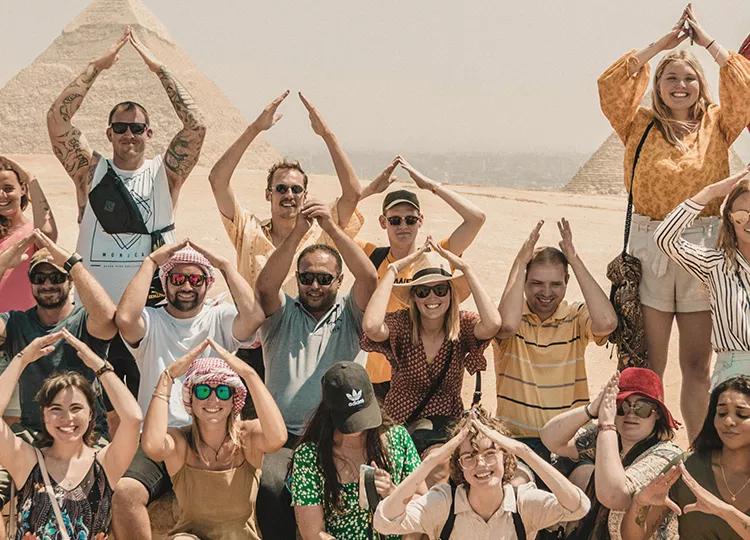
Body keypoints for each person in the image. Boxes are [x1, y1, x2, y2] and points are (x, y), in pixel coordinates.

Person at [598, 4, 750, 438]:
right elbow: (610, 83)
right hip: (649, 248)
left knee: (697, 365)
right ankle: (655, 445)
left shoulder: (718, 124)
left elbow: (746, 85)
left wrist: (707, 44)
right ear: (657, 86)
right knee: (651, 363)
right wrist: (663, 45)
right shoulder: (637, 122)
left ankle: (698, 451)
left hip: (703, 247)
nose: (680, 86)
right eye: (671, 78)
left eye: (688, 78)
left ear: (701, 85)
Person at [46, 28, 206, 403]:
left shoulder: (165, 174)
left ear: (149, 132)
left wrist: (160, 70)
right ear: (109, 133)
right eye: (120, 128)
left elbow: (196, 126)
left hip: (151, 314)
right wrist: (94, 68)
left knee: (150, 403)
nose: (129, 135)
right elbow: (57, 121)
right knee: (86, 406)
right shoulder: (90, 172)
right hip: (94, 312)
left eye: (137, 128)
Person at [208, 91, 363, 393]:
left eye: (295, 189)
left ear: (305, 195)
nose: (288, 195)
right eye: (281, 188)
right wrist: (255, 128)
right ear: (269, 193)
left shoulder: (322, 232)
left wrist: (327, 135)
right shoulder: (247, 230)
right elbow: (217, 180)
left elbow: (353, 192)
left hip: (309, 346)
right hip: (254, 345)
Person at [112, 242, 265, 538]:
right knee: (126, 493)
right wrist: (151, 261)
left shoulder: (218, 318)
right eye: (178, 278)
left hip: (213, 433)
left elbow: (254, 318)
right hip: (162, 435)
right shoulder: (151, 320)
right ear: (166, 281)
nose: (186, 286)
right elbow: (125, 319)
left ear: (207, 284)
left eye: (196, 279)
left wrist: (225, 265)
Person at [254, 201, 378, 538]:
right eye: (306, 277)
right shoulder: (282, 313)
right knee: (271, 487)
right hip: (285, 435)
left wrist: (332, 228)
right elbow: (265, 287)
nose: (314, 285)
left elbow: (368, 276)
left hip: (337, 432)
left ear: (338, 281)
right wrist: (297, 233)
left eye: (324, 278)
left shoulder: (350, 313)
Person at [0, 230, 118, 538]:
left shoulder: (84, 320)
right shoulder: (16, 323)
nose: (48, 284)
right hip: (31, 434)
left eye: (56, 276)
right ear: (31, 284)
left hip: (87, 433)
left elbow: (107, 316)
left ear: (70, 281)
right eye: (39, 278)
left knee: (115, 496)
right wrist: (9, 259)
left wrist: (70, 260)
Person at [357, 156, 486, 398]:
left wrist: (431, 186)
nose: (403, 226)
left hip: (423, 377)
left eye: (410, 219)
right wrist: (368, 191)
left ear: (421, 221)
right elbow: (333, 225)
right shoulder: (371, 256)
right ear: (383, 222)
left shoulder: (436, 257)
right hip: (379, 378)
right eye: (395, 220)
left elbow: (476, 219)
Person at [0, 329, 141, 539]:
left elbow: (133, 419)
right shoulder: (29, 463)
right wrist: (21, 359)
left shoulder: (104, 464)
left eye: (76, 408)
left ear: (91, 414)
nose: (67, 418)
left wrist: (99, 365)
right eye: (56, 409)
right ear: (44, 415)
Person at [494, 219, 617, 460]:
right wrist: (519, 262)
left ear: (567, 282)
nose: (546, 293)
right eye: (537, 283)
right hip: (517, 442)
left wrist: (574, 259)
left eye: (556, 284)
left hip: (568, 443)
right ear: (524, 282)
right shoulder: (512, 316)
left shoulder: (575, 317)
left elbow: (607, 323)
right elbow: (506, 326)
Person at [141, 338, 286, 540]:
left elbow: (278, 437)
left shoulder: (247, 437)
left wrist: (249, 374)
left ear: (233, 398)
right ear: (191, 398)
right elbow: (152, 446)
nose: (213, 399)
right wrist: (167, 376)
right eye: (202, 390)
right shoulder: (182, 441)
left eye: (223, 391)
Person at [373, 407, 590, 539]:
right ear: (459, 466)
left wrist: (524, 451)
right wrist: (431, 461)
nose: (481, 464)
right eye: (469, 456)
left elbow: (578, 507)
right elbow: (384, 521)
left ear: (506, 456)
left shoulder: (523, 502)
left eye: (490, 453)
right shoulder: (443, 504)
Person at [360, 240, 500, 436]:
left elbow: (493, 324)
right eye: (423, 291)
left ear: (451, 294)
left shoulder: (461, 325)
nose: (432, 298)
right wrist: (392, 270)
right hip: (400, 430)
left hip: (444, 430)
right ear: (414, 297)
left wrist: (466, 269)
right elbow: (371, 326)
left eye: (441, 290)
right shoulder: (402, 324)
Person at [540, 368, 681, 539]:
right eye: (622, 406)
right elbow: (551, 439)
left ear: (657, 413)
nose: (630, 414)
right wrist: (591, 409)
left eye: (641, 408)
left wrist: (606, 425)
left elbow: (614, 495)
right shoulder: (608, 437)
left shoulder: (665, 455)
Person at [290, 361, 421, 540]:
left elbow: (422, 503)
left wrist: (393, 494)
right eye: (350, 420)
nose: (359, 429)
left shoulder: (398, 438)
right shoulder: (310, 457)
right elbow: (312, 533)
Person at [654, 166, 750, 388]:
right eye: (741, 216)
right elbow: (665, 239)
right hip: (732, 372)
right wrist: (709, 192)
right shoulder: (714, 264)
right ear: (729, 219)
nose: (748, 222)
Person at [621, 376, 750, 540]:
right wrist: (640, 503)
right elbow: (633, 538)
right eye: (722, 413)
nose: (729, 421)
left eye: (742, 414)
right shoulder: (687, 468)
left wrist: (725, 511)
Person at [0, 155, 57, 312]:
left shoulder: (32, 232)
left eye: (8, 188)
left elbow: (48, 234)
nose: (1, 195)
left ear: (23, 189)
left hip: (21, 328)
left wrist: (31, 179)